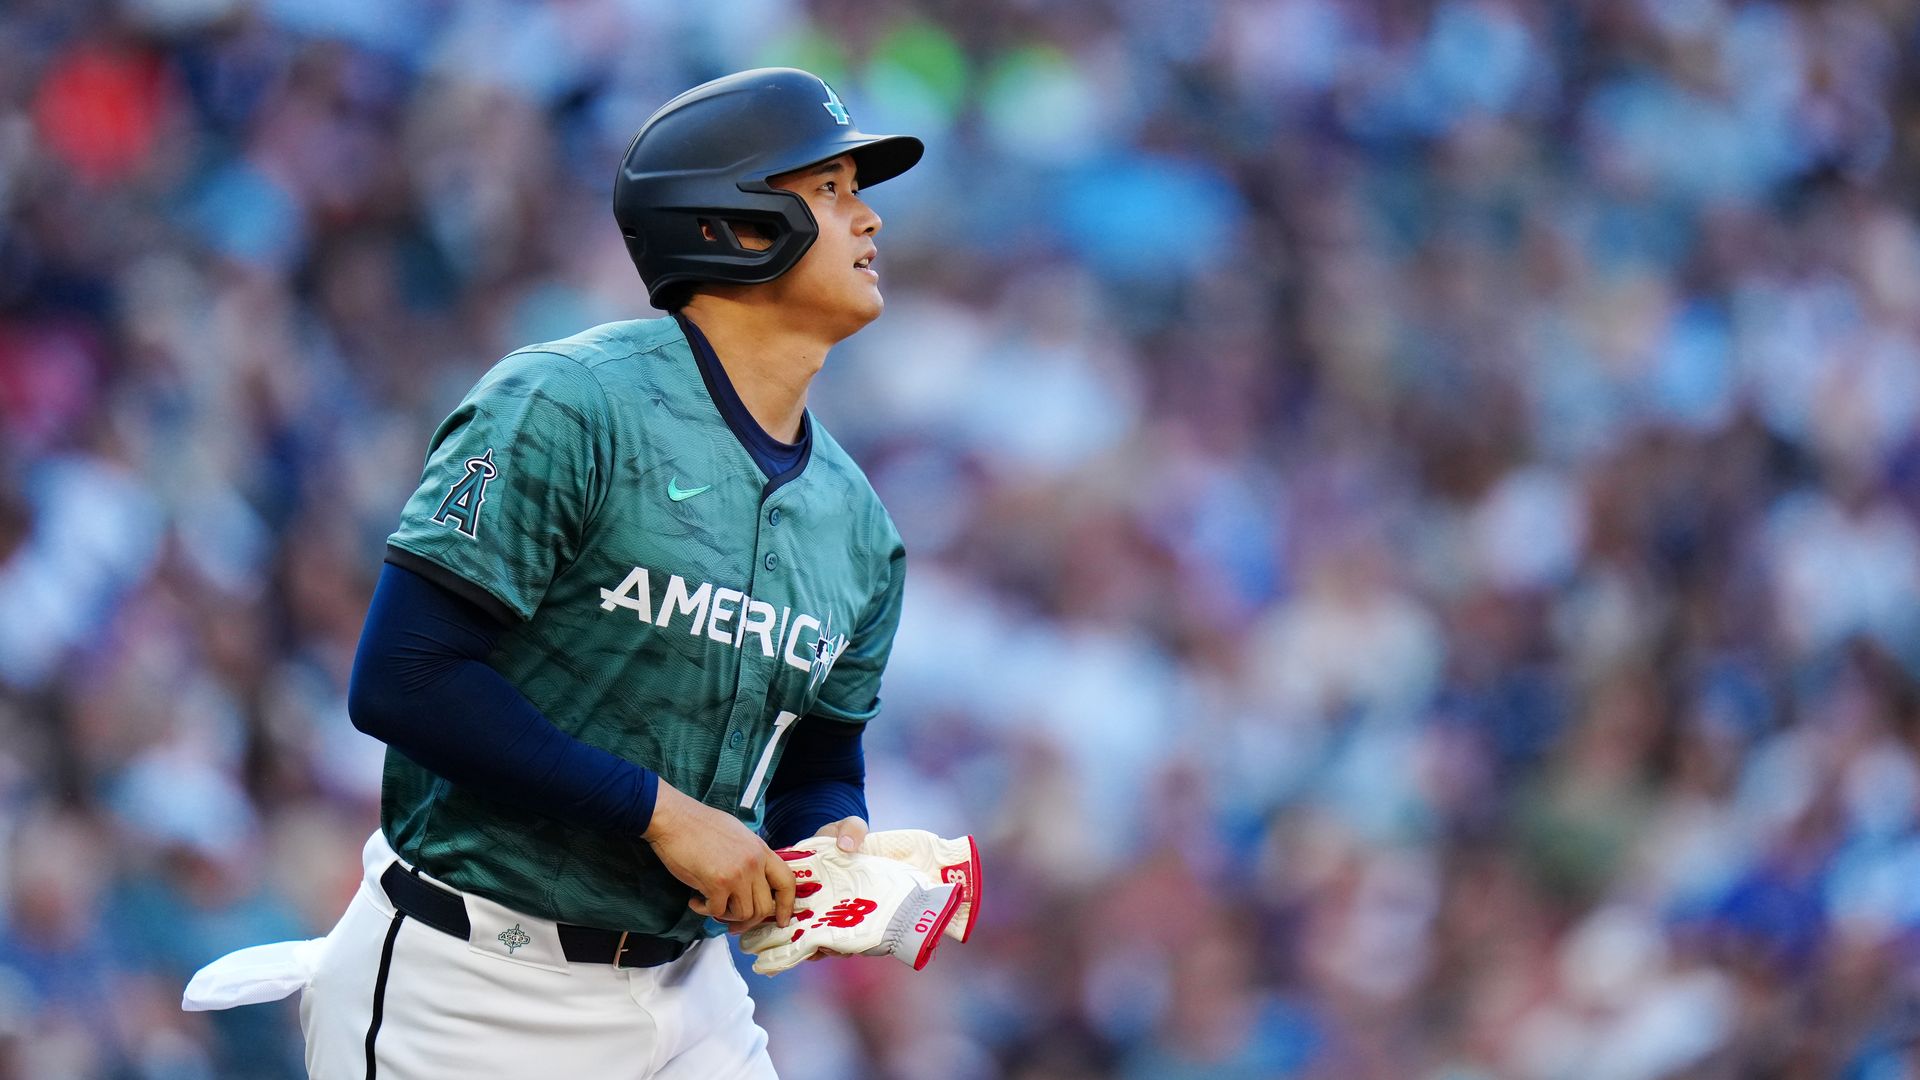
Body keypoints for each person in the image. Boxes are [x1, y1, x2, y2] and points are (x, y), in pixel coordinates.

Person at [302, 68, 921, 1078]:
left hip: (693, 999)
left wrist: (828, 849)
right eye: (834, 190)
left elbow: (817, 761)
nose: (870, 221)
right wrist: (663, 813)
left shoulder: (859, 526)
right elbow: (404, 677)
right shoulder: (567, 403)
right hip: (471, 986)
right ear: (736, 223)